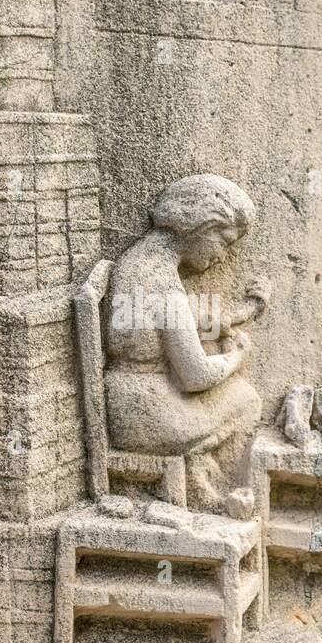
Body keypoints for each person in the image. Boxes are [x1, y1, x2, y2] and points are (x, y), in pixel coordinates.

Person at [104, 174, 266, 511]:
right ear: (202, 225)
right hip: (147, 415)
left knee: (213, 402)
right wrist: (237, 357)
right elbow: (195, 376)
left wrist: (241, 313)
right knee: (245, 399)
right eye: (225, 241)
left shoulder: (135, 263)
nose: (223, 255)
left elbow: (180, 322)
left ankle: (199, 483)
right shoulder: (164, 283)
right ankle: (219, 497)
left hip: (123, 399)